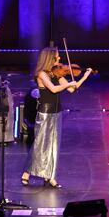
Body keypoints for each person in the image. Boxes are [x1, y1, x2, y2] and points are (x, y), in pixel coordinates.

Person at [21, 47, 92, 188]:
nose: (59, 60)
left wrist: (84, 76)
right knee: (40, 145)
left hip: (56, 112)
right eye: (57, 57)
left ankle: (50, 176)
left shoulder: (57, 73)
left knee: (53, 145)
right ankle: (27, 172)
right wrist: (69, 83)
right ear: (50, 58)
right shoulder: (42, 74)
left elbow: (72, 89)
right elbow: (53, 89)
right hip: (45, 113)